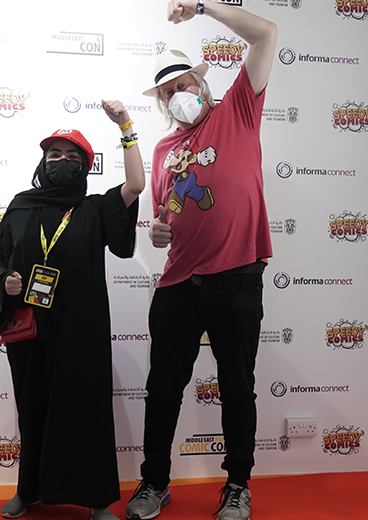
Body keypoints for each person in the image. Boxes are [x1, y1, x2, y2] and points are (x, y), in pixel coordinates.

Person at [126, 2, 277, 520]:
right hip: (177, 283)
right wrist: (158, 231)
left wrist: (202, 7)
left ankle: (237, 485)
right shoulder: (163, 149)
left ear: (202, 84)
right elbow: (163, 221)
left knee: (237, 386)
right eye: (168, 92)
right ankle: (154, 482)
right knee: (163, 388)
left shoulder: (237, 110)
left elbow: (266, 34)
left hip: (236, 274)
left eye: (184, 84)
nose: (178, 95)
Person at [0, 101, 145, 520]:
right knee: (33, 408)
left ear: (85, 167)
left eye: (72, 157)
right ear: (43, 162)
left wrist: (125, 126)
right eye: (54, 154)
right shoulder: (21, 206)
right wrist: (5, 280)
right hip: (30, 327)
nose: (61, 161)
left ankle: (97, 499)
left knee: (85, 409)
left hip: (81, 328)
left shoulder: (94, 208)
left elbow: (135, 185)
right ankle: (29, 491)